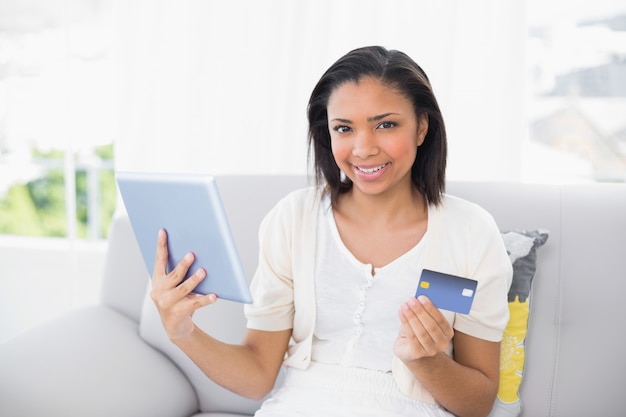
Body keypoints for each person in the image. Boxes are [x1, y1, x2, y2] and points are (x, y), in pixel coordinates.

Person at [150, 45, 512, 417]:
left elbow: (478, 403)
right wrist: (182, 333)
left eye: (385, 124)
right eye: (344, 128)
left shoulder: (471, 233)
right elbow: (257, 376)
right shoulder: (293, 219)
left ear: (422, 126)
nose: (363, 148)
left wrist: (426, 360)